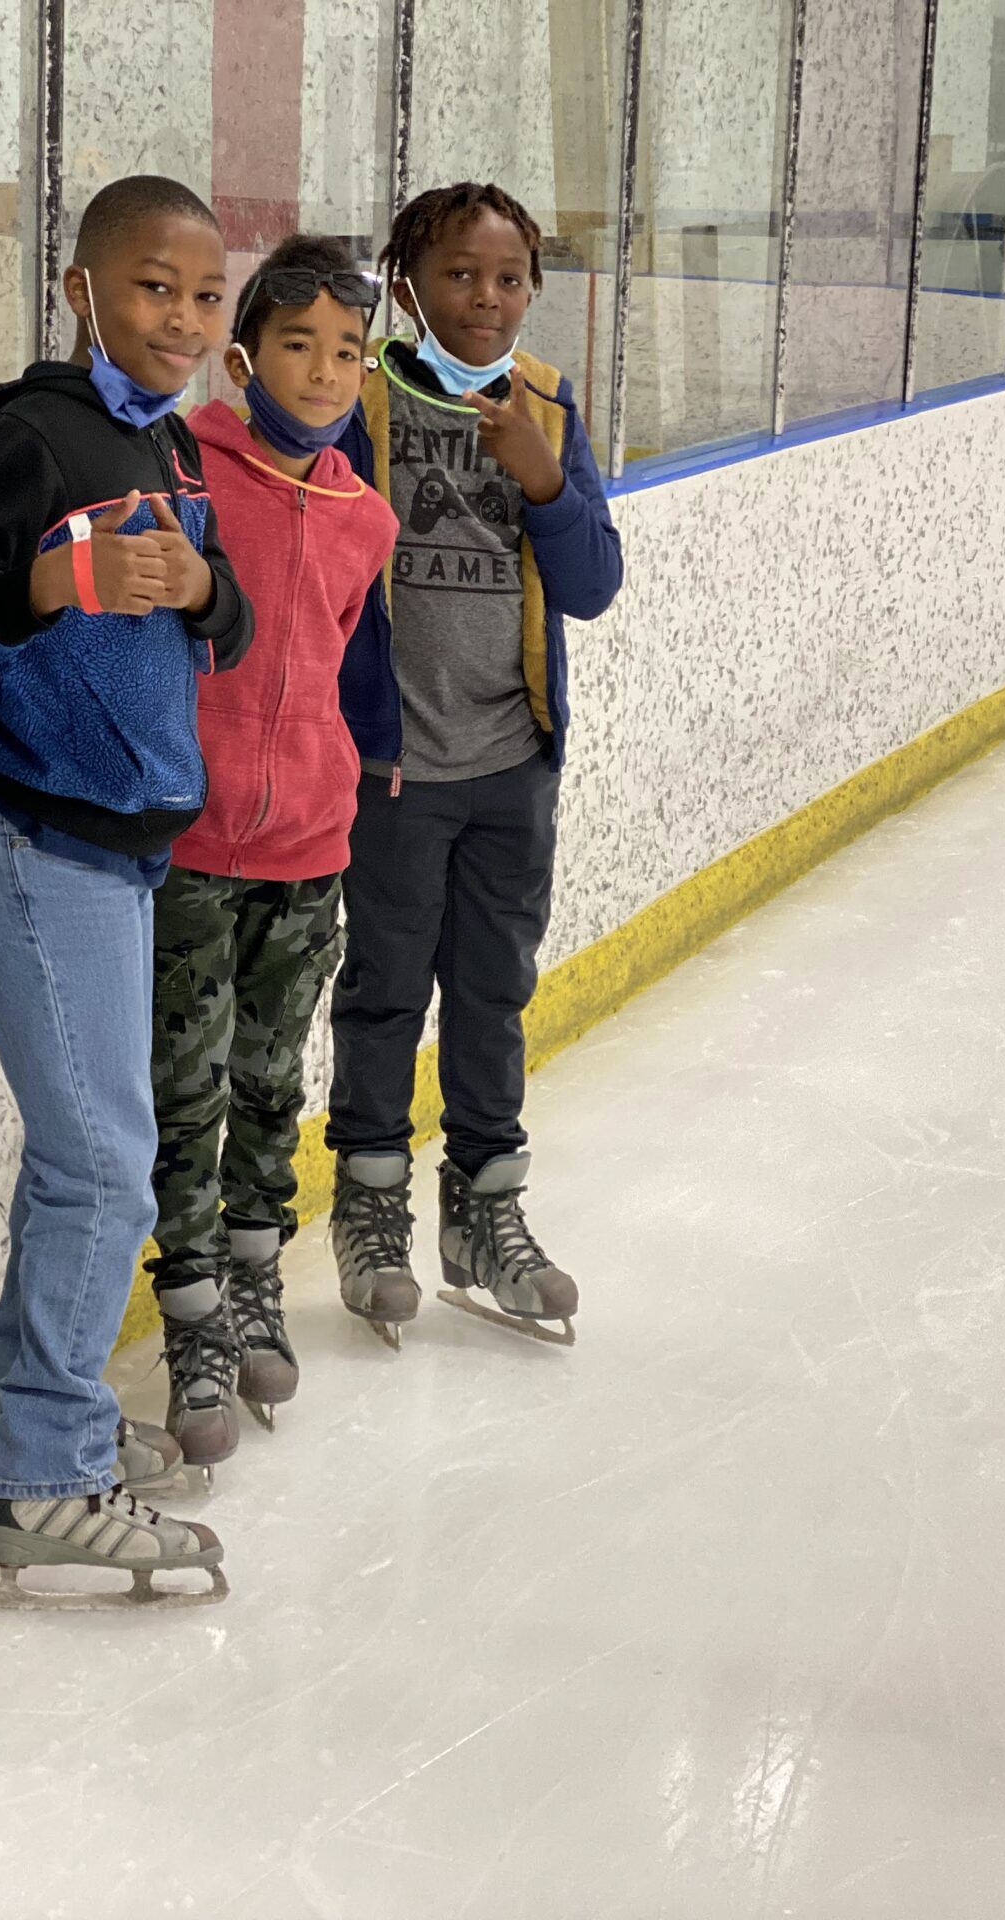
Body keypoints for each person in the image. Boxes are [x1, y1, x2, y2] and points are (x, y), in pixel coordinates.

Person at [0, 174, 251, 1604]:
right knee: (105, 1157)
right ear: (82, 291)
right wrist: (41, 596)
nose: (181, 317)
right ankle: (49, 1468)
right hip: (27, 830)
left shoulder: (169, 448)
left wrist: (197, 590)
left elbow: (219, 626)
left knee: (94, 1144)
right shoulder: (31, 439)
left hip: (112, 842)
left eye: (204, 294)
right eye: (153, 286)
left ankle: (10, 1393)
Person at [325, 182, 625, 1347]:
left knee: (493, 994)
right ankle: (368, 1206)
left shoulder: (546, 402)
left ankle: (484, 1211)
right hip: (394, 772)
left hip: (511, 766)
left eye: (508, 278)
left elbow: (593, 585)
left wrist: (541, 476)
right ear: (408, 283)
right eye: (459, 274)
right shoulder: (359, 394)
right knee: (386, 991)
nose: (486, 299)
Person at [146, 235, 399, 1462]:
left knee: (266, 1080)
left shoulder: (366, 516)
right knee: (180, 1091)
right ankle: (189, 1305)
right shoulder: (188, 463)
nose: (321, 371)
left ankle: (255, 1271)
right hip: (191, 849)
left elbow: (343, 667)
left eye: (345, 352)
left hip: (310, 847)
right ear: (244, 354)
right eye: (295, 344)